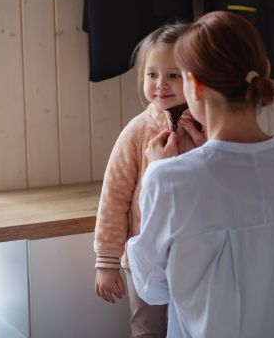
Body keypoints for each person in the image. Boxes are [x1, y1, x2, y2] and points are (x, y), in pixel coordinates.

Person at [127, 11, 274, 338]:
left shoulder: (168, 178)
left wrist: (155, 174)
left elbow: (154, 289)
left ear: (193, 85)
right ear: (264, 71)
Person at [94, 21, 198, 338]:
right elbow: (114, 199)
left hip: (197, 255)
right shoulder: (137, 132)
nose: (160, 84)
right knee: (148, 329)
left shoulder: (208, 128)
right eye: (152, 74)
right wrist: (107, 262)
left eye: (173, 75)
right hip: (144, 260)